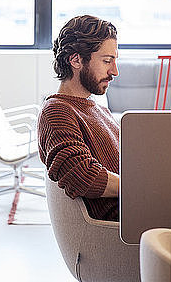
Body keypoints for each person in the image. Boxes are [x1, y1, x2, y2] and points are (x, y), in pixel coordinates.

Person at [37, 14, 120, 221]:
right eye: (107, 61)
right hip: (123, 223)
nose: (115, 71)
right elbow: (82, 175)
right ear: (76, 60)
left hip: (140, 206)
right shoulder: (57, 111)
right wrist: (143, 187)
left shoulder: (95, 107)